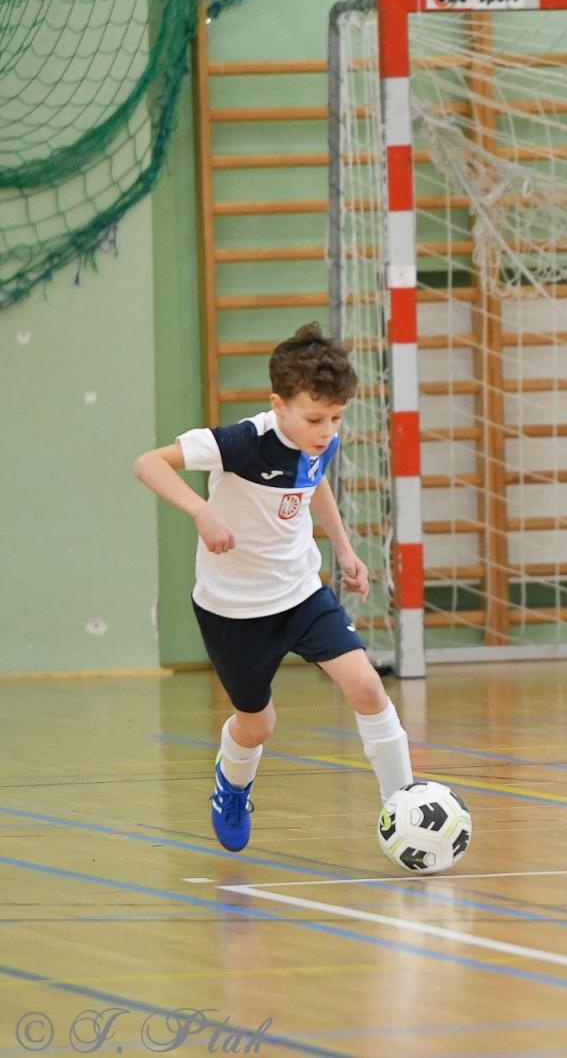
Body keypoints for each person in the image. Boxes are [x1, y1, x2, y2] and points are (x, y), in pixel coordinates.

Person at [132, 323, 413, 853]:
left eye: (336, 418)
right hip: (234, 610)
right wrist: (201, 512)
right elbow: (147, 463)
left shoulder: (319, 440)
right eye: (315, 419)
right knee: (257, 725)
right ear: (278, 406)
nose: (327, 430)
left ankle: (403, 804)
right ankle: (231, 784)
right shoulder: (244, 443)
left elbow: (315, 481)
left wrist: (344, 550)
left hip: (301, 593)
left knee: (367, 687)